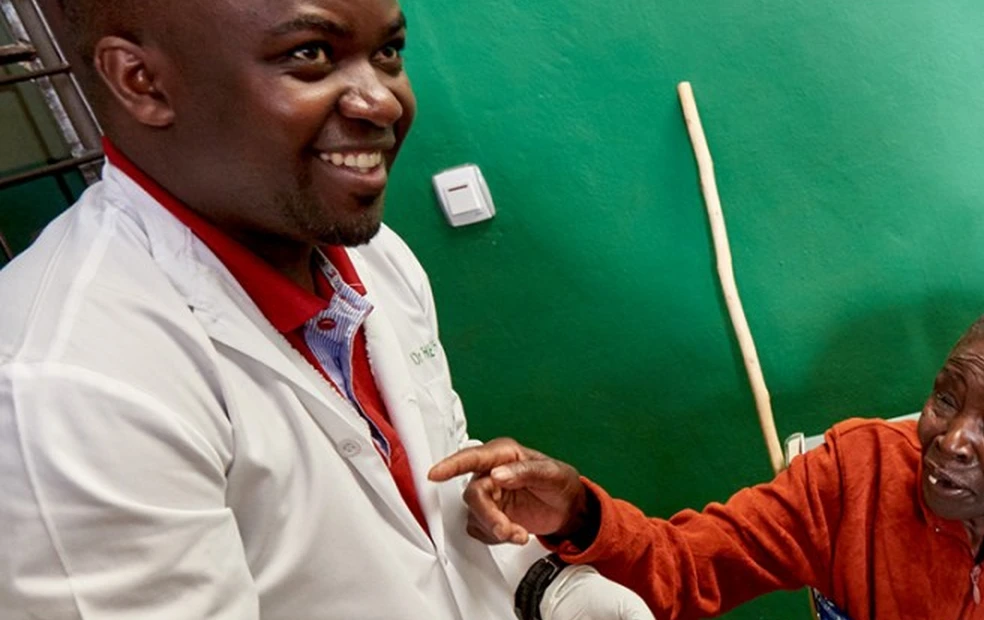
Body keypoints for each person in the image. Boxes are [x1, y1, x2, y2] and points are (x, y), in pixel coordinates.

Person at [0, 0, 646, 618]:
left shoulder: (373, 259)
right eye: (310, 54)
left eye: (388, 51)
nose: (385, 99)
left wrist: (543, 586)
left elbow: (427, 485)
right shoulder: (70, 387)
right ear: (143, 82)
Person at [431, 297, 984, 620]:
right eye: (944, 399)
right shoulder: (853, 477)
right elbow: (685, 570)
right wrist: (580, 512)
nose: (950, 439)